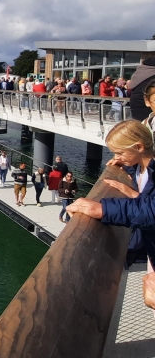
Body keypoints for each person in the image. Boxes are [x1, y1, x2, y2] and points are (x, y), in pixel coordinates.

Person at [67, 120, 155, 307]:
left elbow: (150, 210)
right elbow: (145, 178)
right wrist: (126, 165)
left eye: (120, 152)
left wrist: (101, 208)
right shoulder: (143, 165)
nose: (116, 156)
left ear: (139, 146)